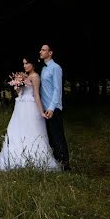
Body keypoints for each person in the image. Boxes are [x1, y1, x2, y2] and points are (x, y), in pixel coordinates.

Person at [0, 57, 61, 172]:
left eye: (27, 63)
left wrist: (41, 111)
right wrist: (17, 85)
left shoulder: (35, 76)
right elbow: (19, 93)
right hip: (20, 106)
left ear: (33, 65)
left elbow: (36, 94)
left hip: (30, 106)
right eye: (24, 64)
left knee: (32, 130)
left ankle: (35, 158)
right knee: (16, 129)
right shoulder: (24, 76)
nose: (25, 66)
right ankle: (16, 157)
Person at [38, 43, 71, 172]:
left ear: (50, 53)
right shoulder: (43, 68)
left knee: (58, 136)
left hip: (54, 108)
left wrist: (51, 108)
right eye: (40, 49)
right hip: (45, 108)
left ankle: (65, 164)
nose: (40, 51)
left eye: (43, 50)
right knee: (50, 137)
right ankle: (57, 163)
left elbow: (57, 89)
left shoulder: (56, 68)